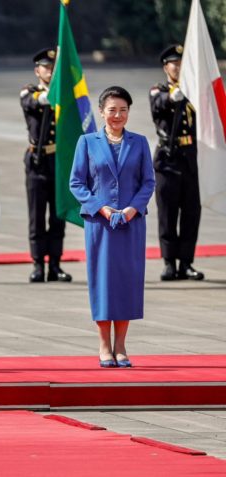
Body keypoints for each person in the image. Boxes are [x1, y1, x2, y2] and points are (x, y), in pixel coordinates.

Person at [69, 86, 155, 368]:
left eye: (123, 110)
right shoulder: (87, 142)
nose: (117, 115)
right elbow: (77, 183)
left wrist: (132, 209)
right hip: (101, 224)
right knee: (103, 282)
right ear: (102, 112)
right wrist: (102, 208)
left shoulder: (140, 142)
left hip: (131, 223)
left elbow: (148, 182)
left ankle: (121, 345)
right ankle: (104, 344)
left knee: (127, 282)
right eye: (112, 110)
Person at [149, 44, 204, 281]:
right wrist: (172, 97)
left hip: (189, 158)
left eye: (182, 64)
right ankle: (169, 262)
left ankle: (187, 262)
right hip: (168, 158)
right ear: (166, 67)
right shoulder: (158, 90)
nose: (179, 67)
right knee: (168, 212)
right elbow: (158, 104)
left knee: (191, 212)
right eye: (175, 63)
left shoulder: (193, 91)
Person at [20, 47, 72, 283]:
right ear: (37, 70)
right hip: (38, 162)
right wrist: (52, 93)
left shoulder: (64, 94)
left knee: (58, 214)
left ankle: (56, 265)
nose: (50, 71)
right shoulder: (28, 92)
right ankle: (38, 264)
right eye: (46, 67)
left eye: (53, 68)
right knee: (37, 215)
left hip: (58, 161)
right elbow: (36, 102)